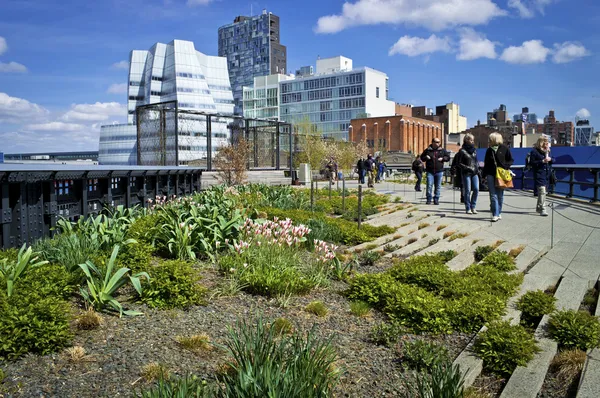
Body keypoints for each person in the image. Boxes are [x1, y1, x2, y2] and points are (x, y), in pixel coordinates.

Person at [482, 132, 514, 222]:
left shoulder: (504, 148)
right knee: (493, 195)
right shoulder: (489, 150)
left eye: (490, 139)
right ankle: (495, 214)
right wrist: (483, 175)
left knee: (500, 195)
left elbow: (511, 160)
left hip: (501, 174)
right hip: (491, 174)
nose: (489, 141)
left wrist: (506, 167)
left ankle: (499, 212)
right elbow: (486, 163)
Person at [454, 134, 479, 214]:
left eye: (473, 140)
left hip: (474, 172)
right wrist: (468, 168)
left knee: (476, 189)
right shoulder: (462, 151)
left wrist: (477, 168)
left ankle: (473, 206)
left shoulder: (474, 150)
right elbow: (459, 163)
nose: (472, 141)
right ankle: (468, 207)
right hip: (466, 173)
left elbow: (476, 161)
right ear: (466, 140)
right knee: (467, 190)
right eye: (471, 140)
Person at [529, 137, 555, 216]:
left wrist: (550, 159)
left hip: (547, 174)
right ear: (541, 143)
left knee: (542, 192)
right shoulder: (534, 152)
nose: (547, 144)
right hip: (539, 174)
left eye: (547, 143)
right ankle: (543, 209)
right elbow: (532, 163)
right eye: (546, 142)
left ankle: (538, 208)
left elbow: (553, 159)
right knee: (542, 191)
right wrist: (542, 161)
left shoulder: (547, 151)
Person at [420, 137, 450, 205]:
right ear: (433, 142)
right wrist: (426, 157)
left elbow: (448, 157)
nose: (438, 143)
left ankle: (436, 198)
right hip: (430, 171)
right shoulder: (428, 150)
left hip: (439, 171)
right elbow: (422, 158)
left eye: (439, 142)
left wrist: (443, 158)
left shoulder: (442, 150)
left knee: (438, 186)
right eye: (436, 142)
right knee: (429, 185)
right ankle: (429, 198)